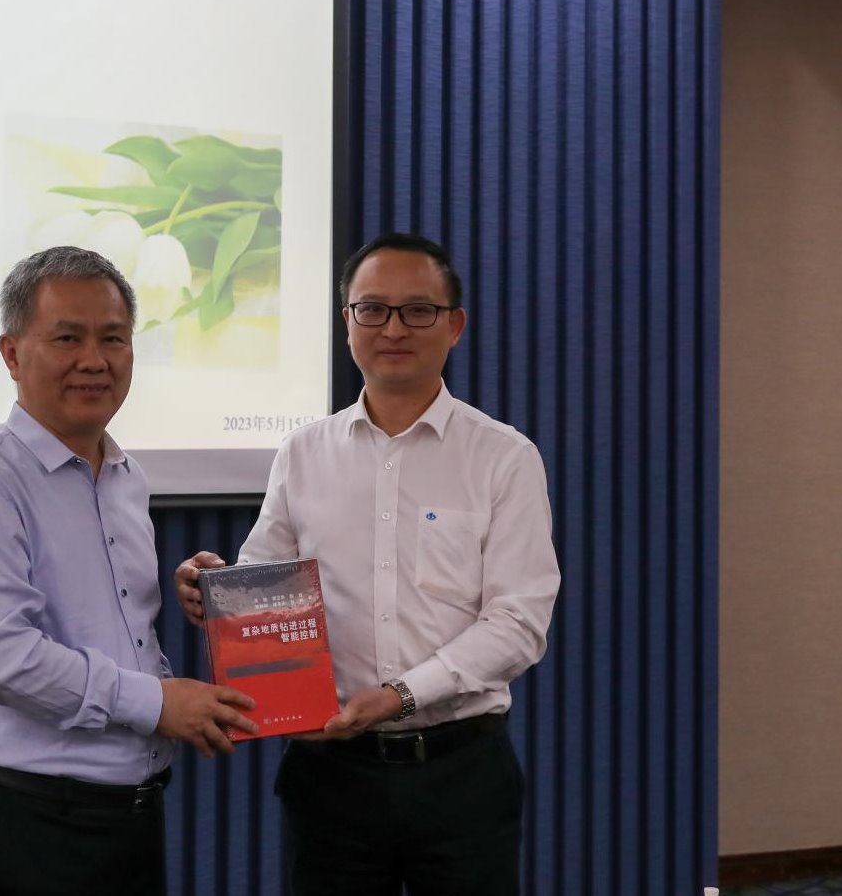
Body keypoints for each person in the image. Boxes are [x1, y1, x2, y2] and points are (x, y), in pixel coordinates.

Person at [175, 232, 560, 896]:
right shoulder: (303, 453)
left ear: (455, 326)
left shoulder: (504, 457)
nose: (394, 328)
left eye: (419, 310)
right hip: (331, 776)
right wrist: (215, 592)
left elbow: (518, 624)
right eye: (373, 309)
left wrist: (401, 695)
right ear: (347, 321)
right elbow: (265, 585)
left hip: (461, 771)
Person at [0, 245, 257, 896]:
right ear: (12, 354)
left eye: (114, 339)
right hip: (31, 827)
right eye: (68, 338)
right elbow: (2, 658)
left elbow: (111, 618)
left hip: (131, 821)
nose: (95, 360)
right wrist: (159, 703)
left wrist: (191, 590)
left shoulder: (126, 477)